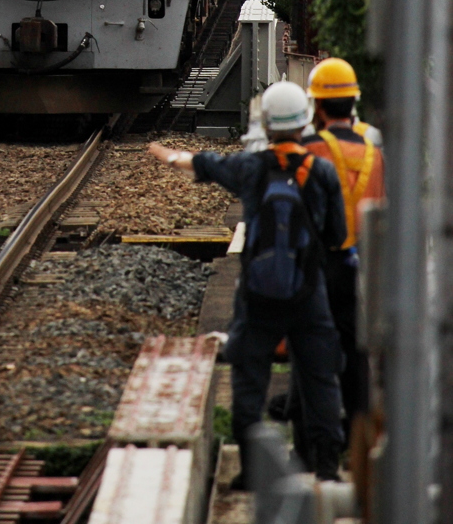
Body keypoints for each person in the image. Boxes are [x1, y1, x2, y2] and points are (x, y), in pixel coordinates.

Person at [149, 80, 347, 489]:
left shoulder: (251, 167)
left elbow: (206, 163)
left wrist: (170, 156)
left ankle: (251, 470)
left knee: (248, 375)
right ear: (305, 121)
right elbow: (336, 235)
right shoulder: (322, 171)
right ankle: (327, 467)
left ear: (268, 124)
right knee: (319, 378)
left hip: (258, 295)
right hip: (309, 293)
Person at [304, 58, 385, 440]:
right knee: (356, 356)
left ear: (318, 106)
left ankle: (312, 443)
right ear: (352, 102)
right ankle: (358, 436)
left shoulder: (310, 150)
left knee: (311, 352)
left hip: (319, 264)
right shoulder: (375, 153)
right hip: (361, 267)